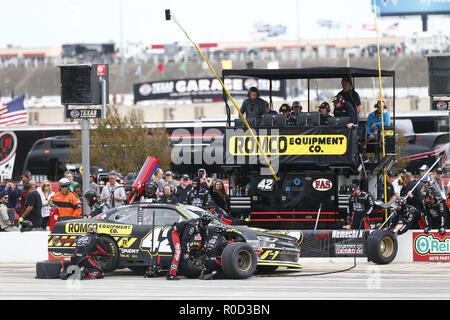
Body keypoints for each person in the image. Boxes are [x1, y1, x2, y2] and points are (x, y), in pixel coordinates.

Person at [166, 212, 214, 280]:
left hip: (181, 235)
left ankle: (183, 271)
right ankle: (171, 274)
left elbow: (204, 239)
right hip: (174, 233)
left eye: (209, 221)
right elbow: (185, 239)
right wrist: (186, 252)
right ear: (202, 219)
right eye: (206, 220)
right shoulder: (193, 225)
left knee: (182, 253)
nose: (207, 222)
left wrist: (201, 250)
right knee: (178, 251)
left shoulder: (204, 226)